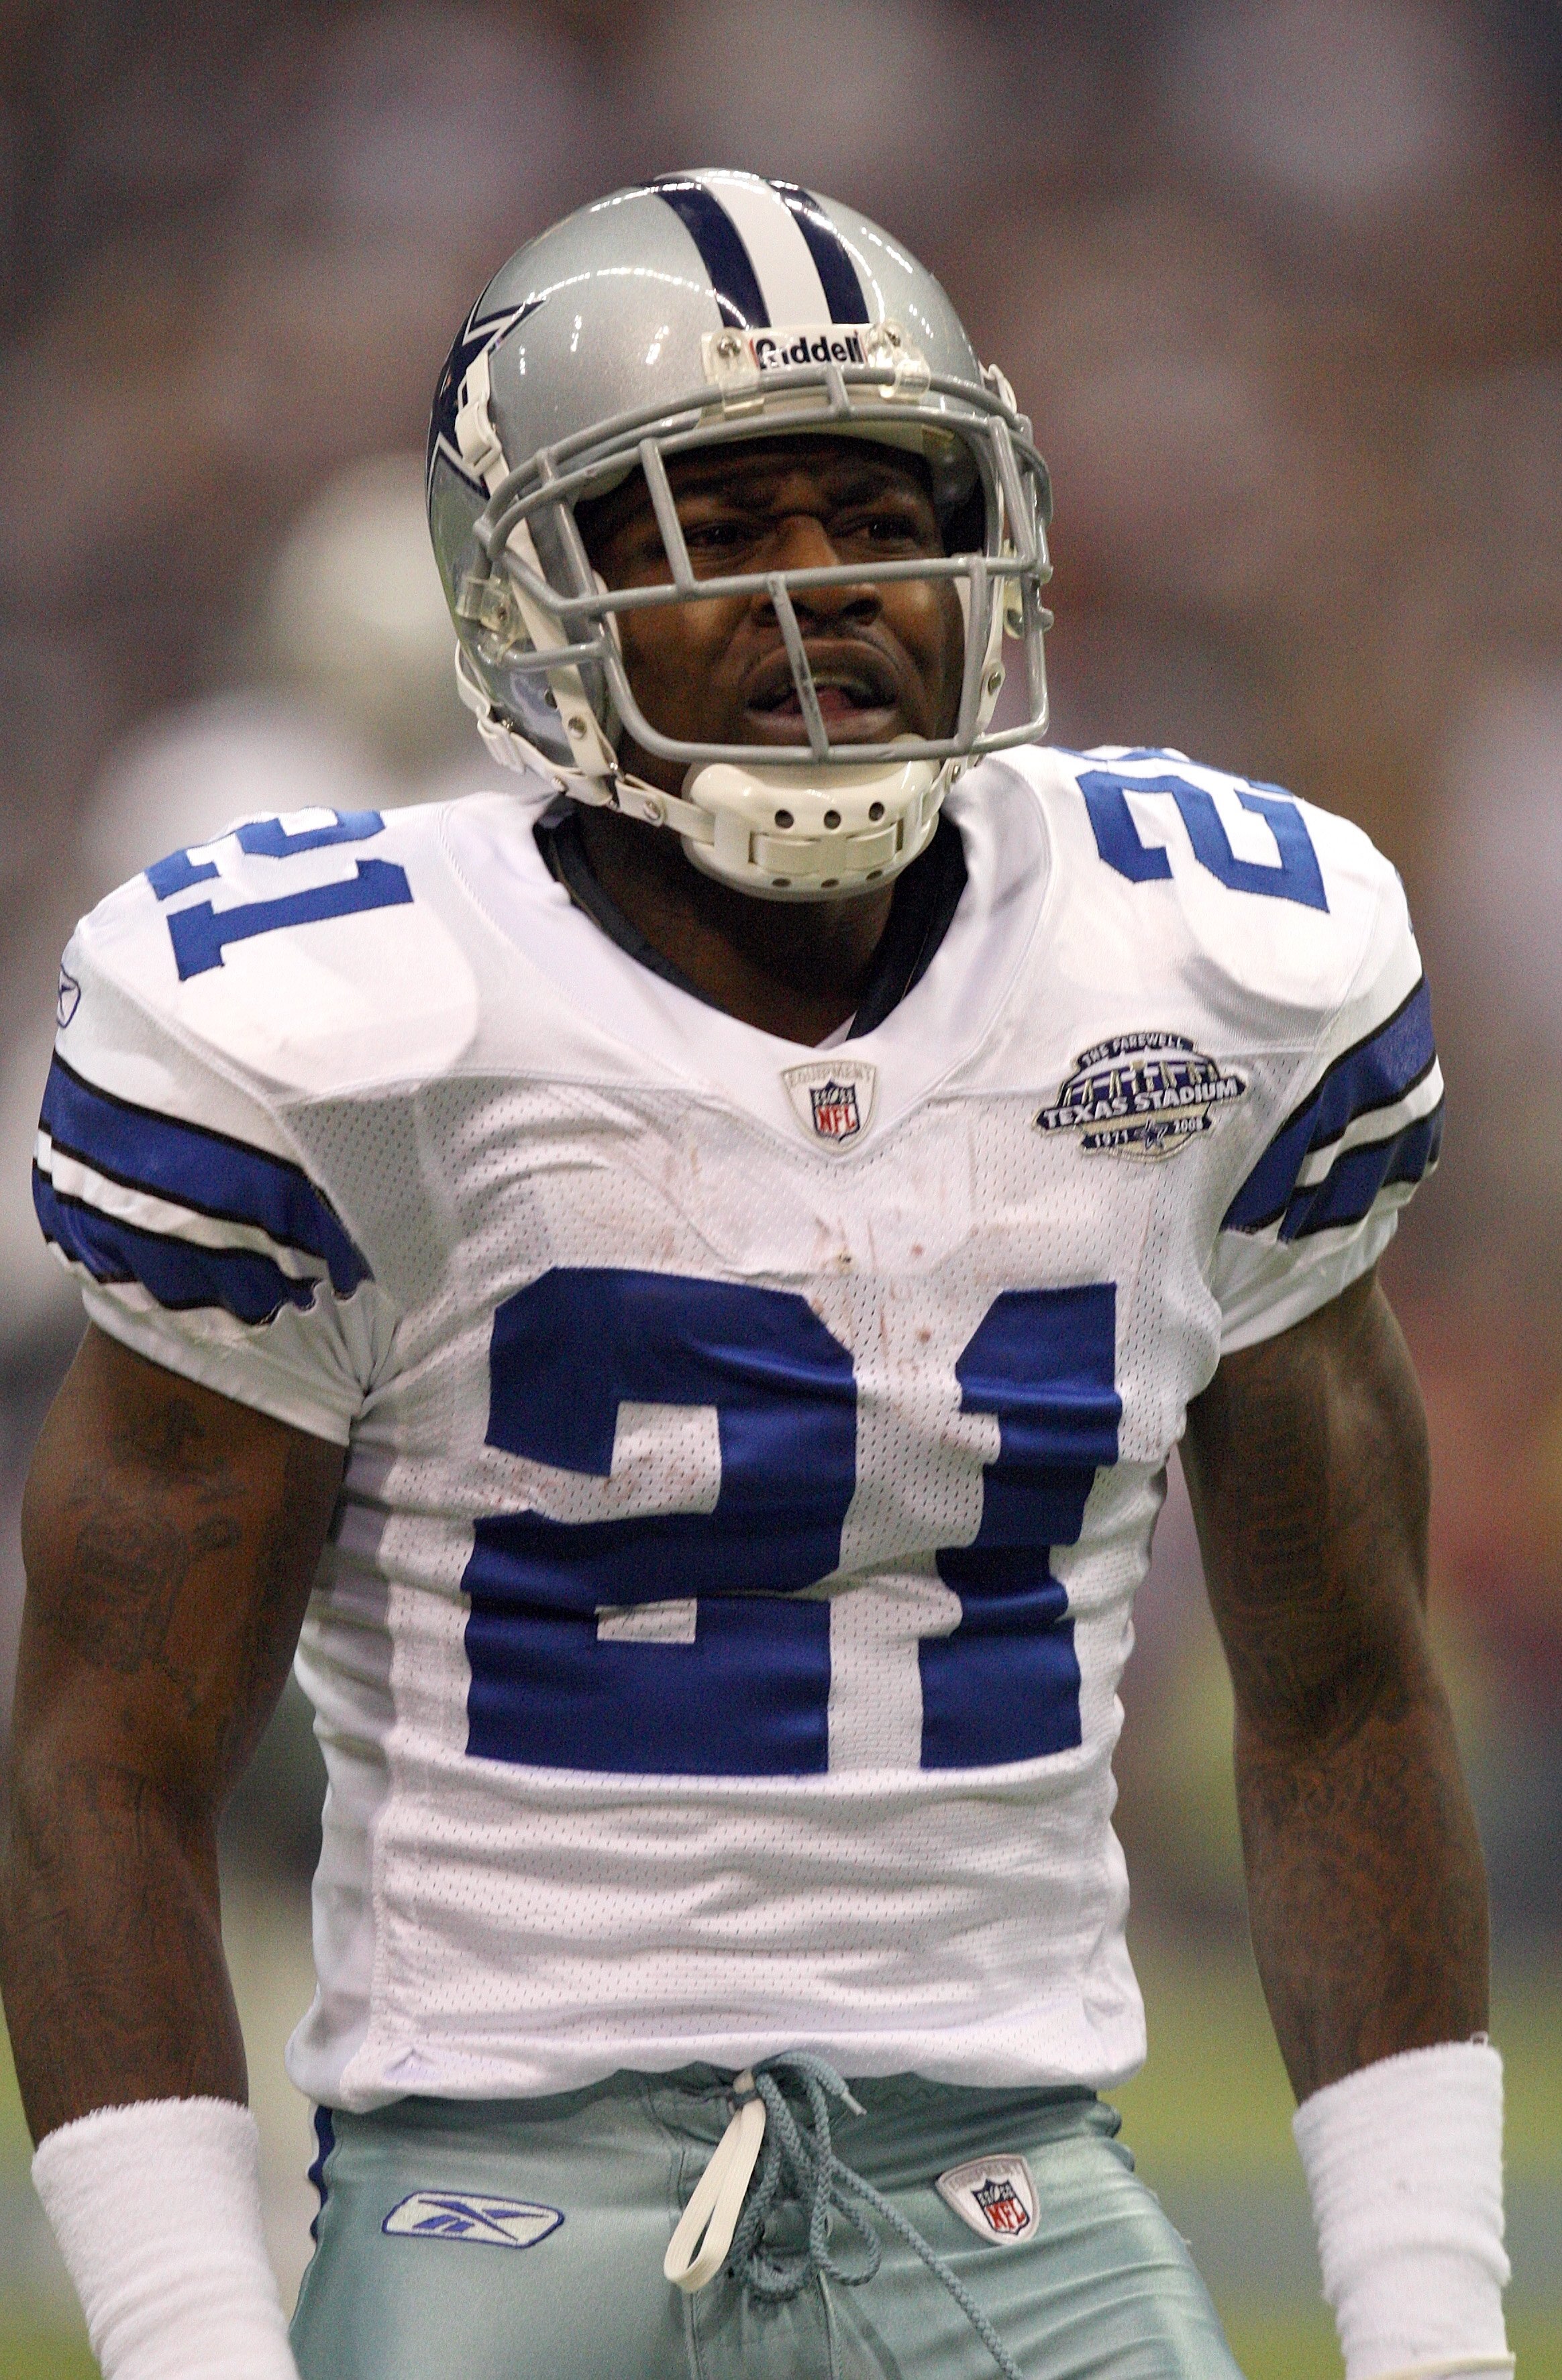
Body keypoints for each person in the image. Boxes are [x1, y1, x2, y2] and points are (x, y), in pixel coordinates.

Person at [1, 171, 1512, 2380]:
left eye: (881, 515)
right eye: (713, 526)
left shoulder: (1202, 967)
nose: (822, 592)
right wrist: (188, 2343)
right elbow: (103, 1762)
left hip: (1009, 2169)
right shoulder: (342, 1034)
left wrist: (1434, 2332)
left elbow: (1348, 1691)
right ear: (530, 595)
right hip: (502, 2183)